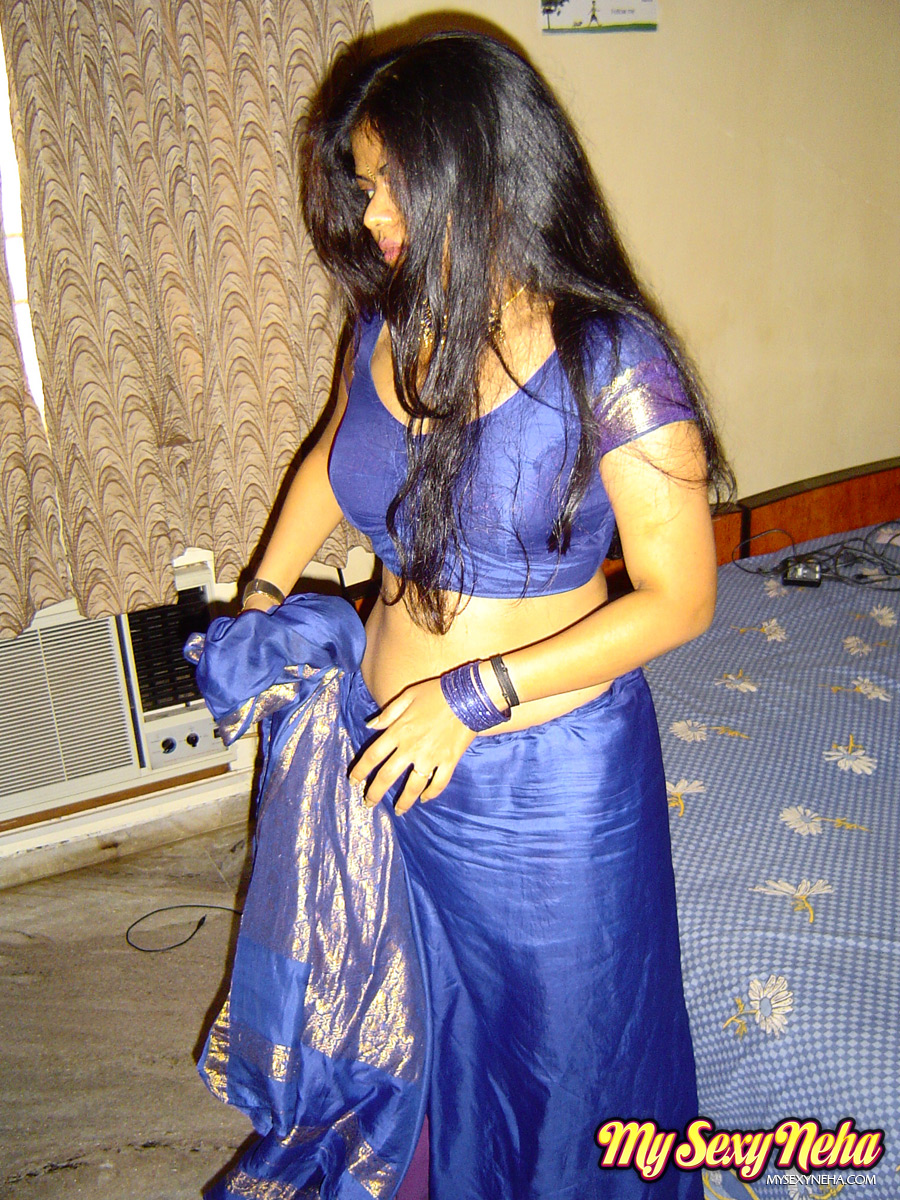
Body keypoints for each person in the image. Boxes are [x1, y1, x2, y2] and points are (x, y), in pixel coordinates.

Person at [196, 29, 732, 1200]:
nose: (373, 214)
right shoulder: (390, 324)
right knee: (412, 1034)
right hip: (388, 755)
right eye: (365, 186)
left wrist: (470, 697)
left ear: (479, 170)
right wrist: (263, 594)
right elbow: (332, 456)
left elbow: (682, 596)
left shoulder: (610, 357)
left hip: (543, 779)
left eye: (391, 184)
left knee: (563, 1073)